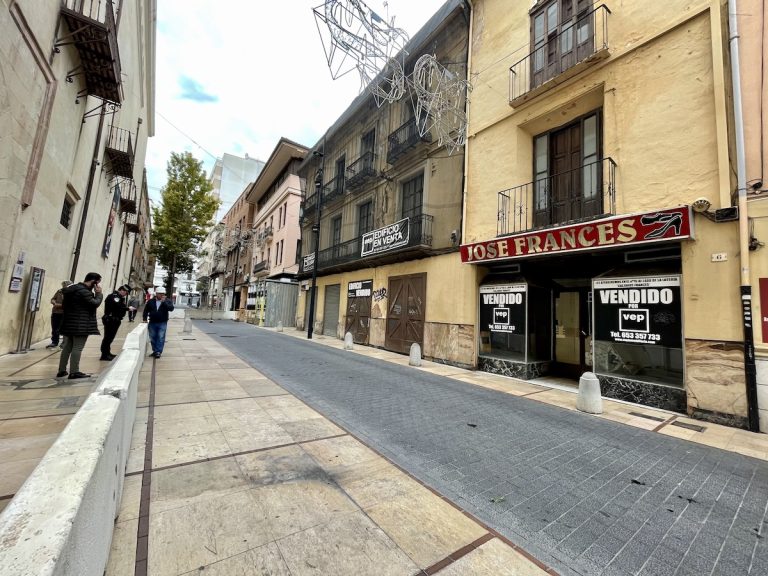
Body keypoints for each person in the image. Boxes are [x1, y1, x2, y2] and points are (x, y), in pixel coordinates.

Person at [57, 272, 103, 379]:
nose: (98, 285)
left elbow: (64, 305)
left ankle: (62, 370)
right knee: (77, 348)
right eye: (98, 283)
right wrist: (99, 294)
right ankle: (74, 372)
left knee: (67, 347)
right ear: (93, 282)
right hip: (81, 324)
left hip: (69, 322)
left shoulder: (72, 289)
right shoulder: (84, 291)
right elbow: (94, 303)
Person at [100, 284, 130, 361]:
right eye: (126, 293)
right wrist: (127, 308)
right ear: (122, 290)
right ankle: (104, 355)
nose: (125, 294)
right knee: (108, 337)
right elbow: (118, 307)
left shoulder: (119, 297)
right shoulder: (114, 297)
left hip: (115, 320)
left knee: (110, 337)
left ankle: (107, 352)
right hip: (111, 319)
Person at [143, 286, 174, 358]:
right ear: (156, 294)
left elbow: (171, 308)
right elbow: (146, 310)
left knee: (160, 337)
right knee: (152, 337)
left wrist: (164, 302)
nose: (162, 295)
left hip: (162, 322)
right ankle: (155, 351)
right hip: (152, 322)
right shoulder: (150, 301)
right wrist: (144, 319)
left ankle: (158, 352)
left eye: (163, 294)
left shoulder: (167, 301)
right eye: (160, 293)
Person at [46, 280, 72, 349]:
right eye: (63, 285)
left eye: (65, 285)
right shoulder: (59, 291)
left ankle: (64, 343)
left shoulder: (71, 293)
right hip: (55, 312)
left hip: (65, 313)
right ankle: (54, 342)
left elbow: (70, 304)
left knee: (63, 329)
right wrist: (54, 302)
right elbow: (53, 299)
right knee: (54, 328)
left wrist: (59, 305)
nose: (64, 287)